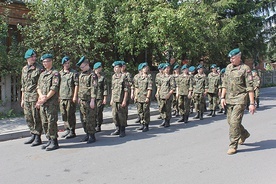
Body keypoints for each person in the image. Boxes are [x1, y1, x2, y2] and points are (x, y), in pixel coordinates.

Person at [221, 48, 256, 155]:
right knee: (230, 122)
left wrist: (252, 103)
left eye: (233, 58)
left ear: (239, 57)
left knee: (234, 123)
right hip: (229, 99)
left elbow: (250, 87)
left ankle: (233, 145)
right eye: (230, 58)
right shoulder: (228, 68)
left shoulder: (246, 69)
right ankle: (244, 134)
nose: (231, 60)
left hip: (240, 99)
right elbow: (224, 84)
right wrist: (222, 97)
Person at [37, 54, 60, 151]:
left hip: (51, 103)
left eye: (45, 61)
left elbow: (54, 88)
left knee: (51, 121)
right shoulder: (42, 74)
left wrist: (46, 97)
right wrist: (41, 96)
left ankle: (54, 141)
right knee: (44, 122)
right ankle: (49, 140)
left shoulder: (55, 73)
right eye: (43, 62)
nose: (44, 63)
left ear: (50, 61)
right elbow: (38, 86)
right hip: (43, 101)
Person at [21, 49, 43, 146]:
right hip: (26, 97)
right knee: (28, 117)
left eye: (35, 56)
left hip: (35, 96)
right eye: (32, 57)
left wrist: (40, 99)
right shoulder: (24, 69)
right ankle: (33, 134)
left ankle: (38, 136)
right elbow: (23, 86)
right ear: (27, 58)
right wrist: (22, 99)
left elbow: (41, 85)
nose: (34, 58)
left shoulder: (39, 68)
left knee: (36, 117)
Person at [76, 56, 98, 144]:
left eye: (82, 66)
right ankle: (87, 134)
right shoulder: (81, 74)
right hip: (82, 100)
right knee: (83, 119)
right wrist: (78, 97)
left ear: (87, 64)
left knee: (90, 118)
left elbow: (94, 88)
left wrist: (93, 100)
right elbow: (80, 87)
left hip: (89, 100)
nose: (81, 68)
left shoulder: (92, 75)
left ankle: (92, 135)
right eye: (80, 67)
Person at [59, 56, 79, 139]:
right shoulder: (60, 73)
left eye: (68, 63)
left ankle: (72, 131)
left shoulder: (73, 73)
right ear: (63, 64)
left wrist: (75, 96)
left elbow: (76, 85)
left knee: (70, 114)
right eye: (66, 63)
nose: (67, 65)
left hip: (70, 97)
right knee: (64, 114)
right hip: (62, 97)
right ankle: (67, 129)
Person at [110, 61, 129, 137]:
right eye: (114, 67)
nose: (115, 69)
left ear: (121, 68)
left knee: (121, 115)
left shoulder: (124, 77)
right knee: (115, 115)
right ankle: (117, 128)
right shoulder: (113, 77)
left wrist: (124, 100)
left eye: (117, 67)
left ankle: (122, 130)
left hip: (121, 100)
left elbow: (126, 89)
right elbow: (112, 89)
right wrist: (111, 99)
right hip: (115, 99)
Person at [134, 62, 153, 132]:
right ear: (141, 69)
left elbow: (149, 88)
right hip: (139, 97)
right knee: (140, 111)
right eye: (144, 68)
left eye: (146, 67)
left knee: (146, 111)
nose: (145, 69)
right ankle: (142, 124)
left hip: (145, 97)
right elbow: (136, 87)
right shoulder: (138, 77)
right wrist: (135, 96)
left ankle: (146, 125)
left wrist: (148, 97)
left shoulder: (149, 77)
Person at [157, 63, 176, 127]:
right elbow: (159, 85)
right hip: (161, 94)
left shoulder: (171, 77)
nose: (167, 69)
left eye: (168, 68)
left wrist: (169, 94)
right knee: (162, 108)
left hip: (167, 95)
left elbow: (173, 87)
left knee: (167, 109)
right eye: (165, 68)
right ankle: (164, 120)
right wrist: (157, 92)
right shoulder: (161, 77)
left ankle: (167, 121)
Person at [93, 62, 108, 132]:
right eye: (99, 67)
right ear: (96, 69)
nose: (100, 69)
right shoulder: (91, 76)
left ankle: (98, 125)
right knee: (93, 112)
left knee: (98, 111)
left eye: (100, 67)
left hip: (99, 97)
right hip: (92, 97)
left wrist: (105, 98)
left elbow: (105, 88)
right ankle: (94, 124)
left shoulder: (102, 78)